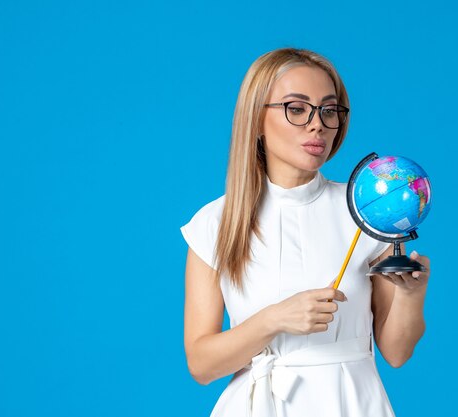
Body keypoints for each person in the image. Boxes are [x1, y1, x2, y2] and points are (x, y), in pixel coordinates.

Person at [180, 48, 431, 417]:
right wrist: (274, 319)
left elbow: (396, 352)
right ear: (256, 119)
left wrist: (412, 295)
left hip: (351, 404)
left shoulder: (363, 215)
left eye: (329, 110)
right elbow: (202, 365)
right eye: (296, 109)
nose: (317, 125)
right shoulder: (215, 222)